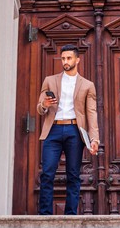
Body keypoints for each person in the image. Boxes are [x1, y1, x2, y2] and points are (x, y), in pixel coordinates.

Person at [37, 44, 100, 215]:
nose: (65, 61)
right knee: (47, 173)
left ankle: (70, 215)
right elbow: (39, 108)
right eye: (63, 58)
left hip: (74, 131)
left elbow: (91, 112)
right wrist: (44, 104)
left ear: (77, 60)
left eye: (69, 58)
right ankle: (44, 215)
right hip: (53, 130)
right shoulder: (50, 80)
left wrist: (94, 139)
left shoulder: (87, 85)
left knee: (73, 175)